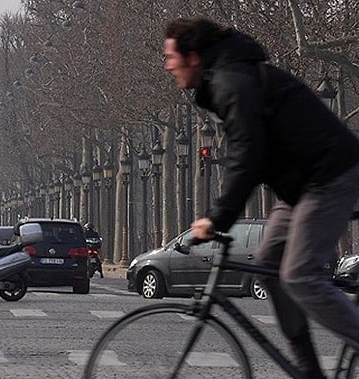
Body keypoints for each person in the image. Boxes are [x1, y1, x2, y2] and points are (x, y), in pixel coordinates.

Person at [164, 17, 359, 377]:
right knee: (269, 265)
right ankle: (308, 369)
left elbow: (247, 154)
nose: (168, 65)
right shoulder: (228, 77)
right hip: (303, 184)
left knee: (300, 276)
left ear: (193, 57)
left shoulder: (231, 82)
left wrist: (218, 217)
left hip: (329, 174)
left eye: (171, 56)